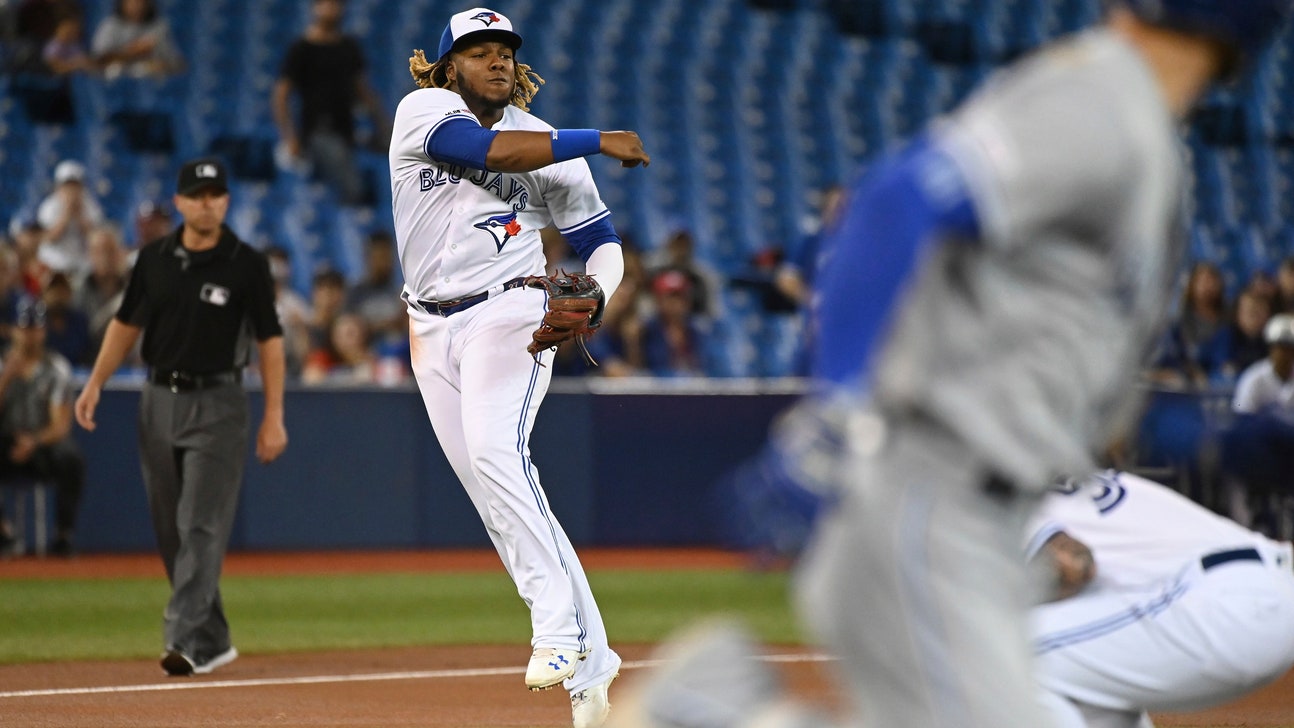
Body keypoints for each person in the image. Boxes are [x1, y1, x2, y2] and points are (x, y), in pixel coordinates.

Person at [607, 3, 1292, 728]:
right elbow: (894, 204)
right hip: (932, 496)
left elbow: (1072, 393)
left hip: (975, 512)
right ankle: (713, 713)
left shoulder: (1142, 136)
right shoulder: (1103, 99)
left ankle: (717, 710)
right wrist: (837, 415)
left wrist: (1243, 444)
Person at [389, 7, 649, 727]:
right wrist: (600, 139)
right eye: (478, 50)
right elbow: (488, 153)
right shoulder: (425, 110)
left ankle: (557, 633)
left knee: (498, 455)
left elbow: (603, 243)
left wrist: (599, 294)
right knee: (495, 493)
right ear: (449, 68)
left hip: (510, 315)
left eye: (504, 49)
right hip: (427, 326)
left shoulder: (550, 147)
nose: (497, 59)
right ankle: (593, 668)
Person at [73, 157, 288, 676]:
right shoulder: (153, 260)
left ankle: (184, 638)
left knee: (199, 526)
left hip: (220, 402)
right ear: (180, 202)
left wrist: (274, 414)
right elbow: (125, 325)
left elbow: (270, 340)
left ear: (226, 201)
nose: (207, 202)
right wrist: (95, 382)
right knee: (172, 530)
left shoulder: (246, 262)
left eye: (216, 194)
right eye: (198, 194)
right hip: (157, 400)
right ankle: (213, 638)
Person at [1027, 470, 1294, 727]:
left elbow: (1073, 564)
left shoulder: (1003, 497)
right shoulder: (1049, 475)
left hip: (1218, 599)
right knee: (1082, 688)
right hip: (1247, 589)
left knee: (1011, 653)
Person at [271, 0, 388, 206]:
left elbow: (363, 89)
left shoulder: (349, 46)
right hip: (317, 131)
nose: (332, 9)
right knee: (351, 187)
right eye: (326, 4)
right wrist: (289, 137)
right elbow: (281, 95)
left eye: (336, 4)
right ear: (314, 7)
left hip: (347, 130)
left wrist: (383, 126)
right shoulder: (302, 48)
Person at [0, 297, 84, 557]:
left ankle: (63, 535)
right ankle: (3, 532)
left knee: (71, 458)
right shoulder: (2, 365)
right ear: (14, 329)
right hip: (6, 442)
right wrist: (6, 379)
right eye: (25, 328)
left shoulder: (56, 368)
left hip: (41, 444)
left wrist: (33, 442)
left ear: (44, 331)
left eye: (35, 328)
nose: (29, 336)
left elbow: (61, 425)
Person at [36, 160, 103, 276]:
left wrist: (79, 215)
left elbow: (95, 239)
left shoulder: (91, 206)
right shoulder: (48, 206)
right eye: (67, 185)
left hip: (82, 267)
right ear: (58, 186)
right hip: (53, 265)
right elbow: (48, 238)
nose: (71, 189)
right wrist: (66, 213)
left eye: (75, 185)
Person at [90, 0, 182, 79]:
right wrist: (131, 53)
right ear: (122, 3)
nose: (138, 6)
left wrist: (163, 66)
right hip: (117, 83)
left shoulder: (159, 26)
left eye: (141, 1)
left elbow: (177, 65)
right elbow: (98, 61)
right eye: (132, 1)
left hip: (151, 84)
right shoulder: (110, 26)